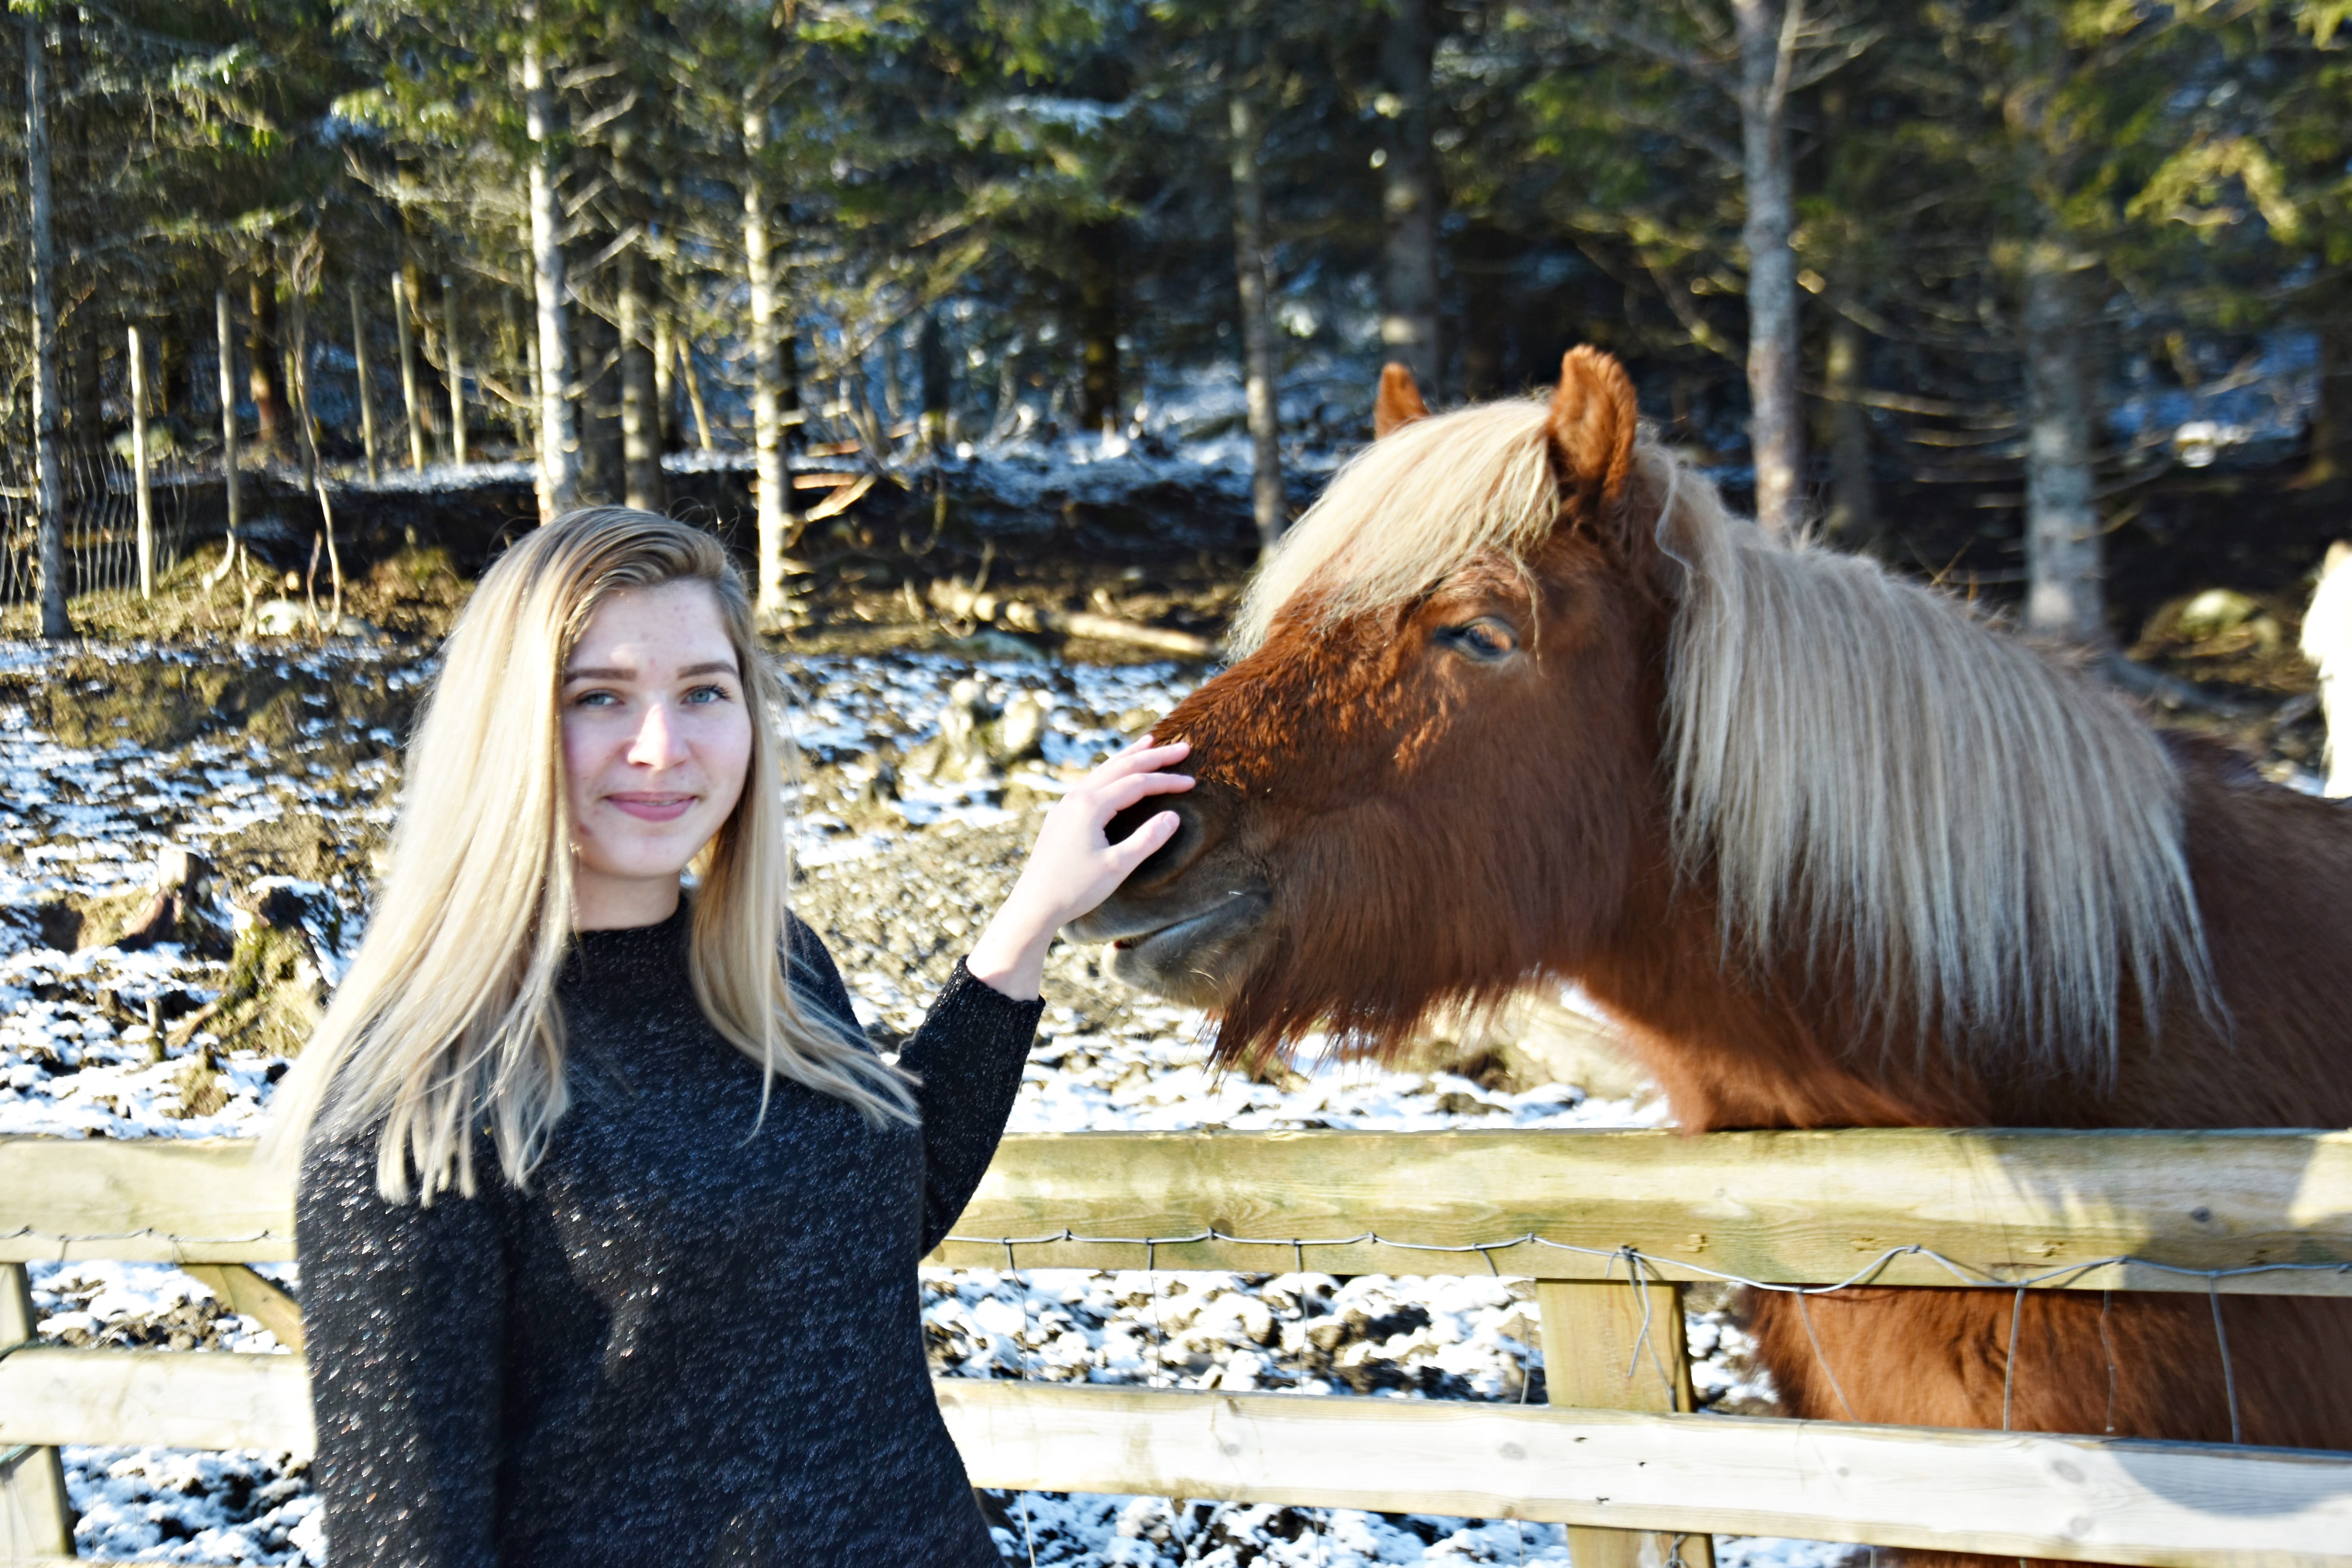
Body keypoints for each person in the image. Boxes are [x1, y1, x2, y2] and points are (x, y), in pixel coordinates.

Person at [265, 508, 1193, 1566]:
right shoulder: (420, 1096)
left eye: (704, 692)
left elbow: (873, 1223)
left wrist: (1030, 922)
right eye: (599, 697)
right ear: (504, 728)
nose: (663, 747)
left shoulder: (772, 965)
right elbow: (407, 1543)